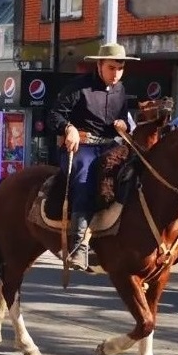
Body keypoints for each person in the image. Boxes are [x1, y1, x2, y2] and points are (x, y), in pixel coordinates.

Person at [49, 43, 137, 271]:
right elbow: (55, 114)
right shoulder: (79, 87)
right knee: (84, 180)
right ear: (99, 65)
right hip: (83, 147)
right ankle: (78, 247)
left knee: (135, 174)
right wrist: (68, 128)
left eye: (120, 68)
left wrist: (123, 124)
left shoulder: (121, 90)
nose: (116, 73)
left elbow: (124, 117)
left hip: (110, 147)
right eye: (111, 67)